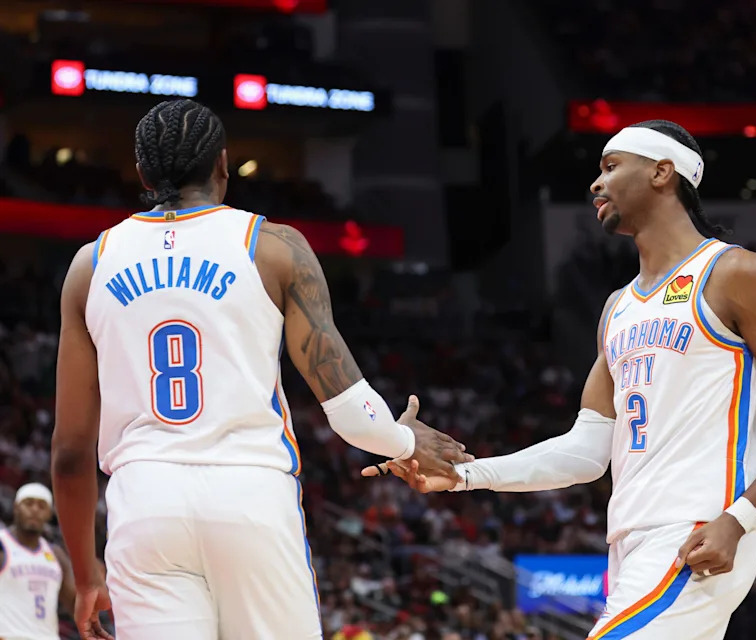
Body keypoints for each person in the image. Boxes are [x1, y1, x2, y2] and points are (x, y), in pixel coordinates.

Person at [367, 120, 756, 639]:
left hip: (697, 530)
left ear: (662, 172)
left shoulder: (735, 273)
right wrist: (467, 474)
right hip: (629, 538)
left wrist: (741, 517)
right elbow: (587, 451)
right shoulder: (617, 308)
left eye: (611, 167)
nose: (596, 183)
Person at [50, 98, 468, 640]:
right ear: (223, 164)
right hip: (249, 494)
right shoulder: (274, 247)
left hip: (144, 502)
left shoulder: (89, 265)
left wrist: (86, 575)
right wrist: (403, 440)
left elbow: (69, 453)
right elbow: (350, 411)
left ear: (142, 173)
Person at [0, 483, 76, 640]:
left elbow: (75, 604)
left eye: (42, 506)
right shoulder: (3, 543)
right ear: (16, 507)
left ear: (49, 513)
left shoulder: (56, 554)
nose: (35, 509)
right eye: (28, 503)